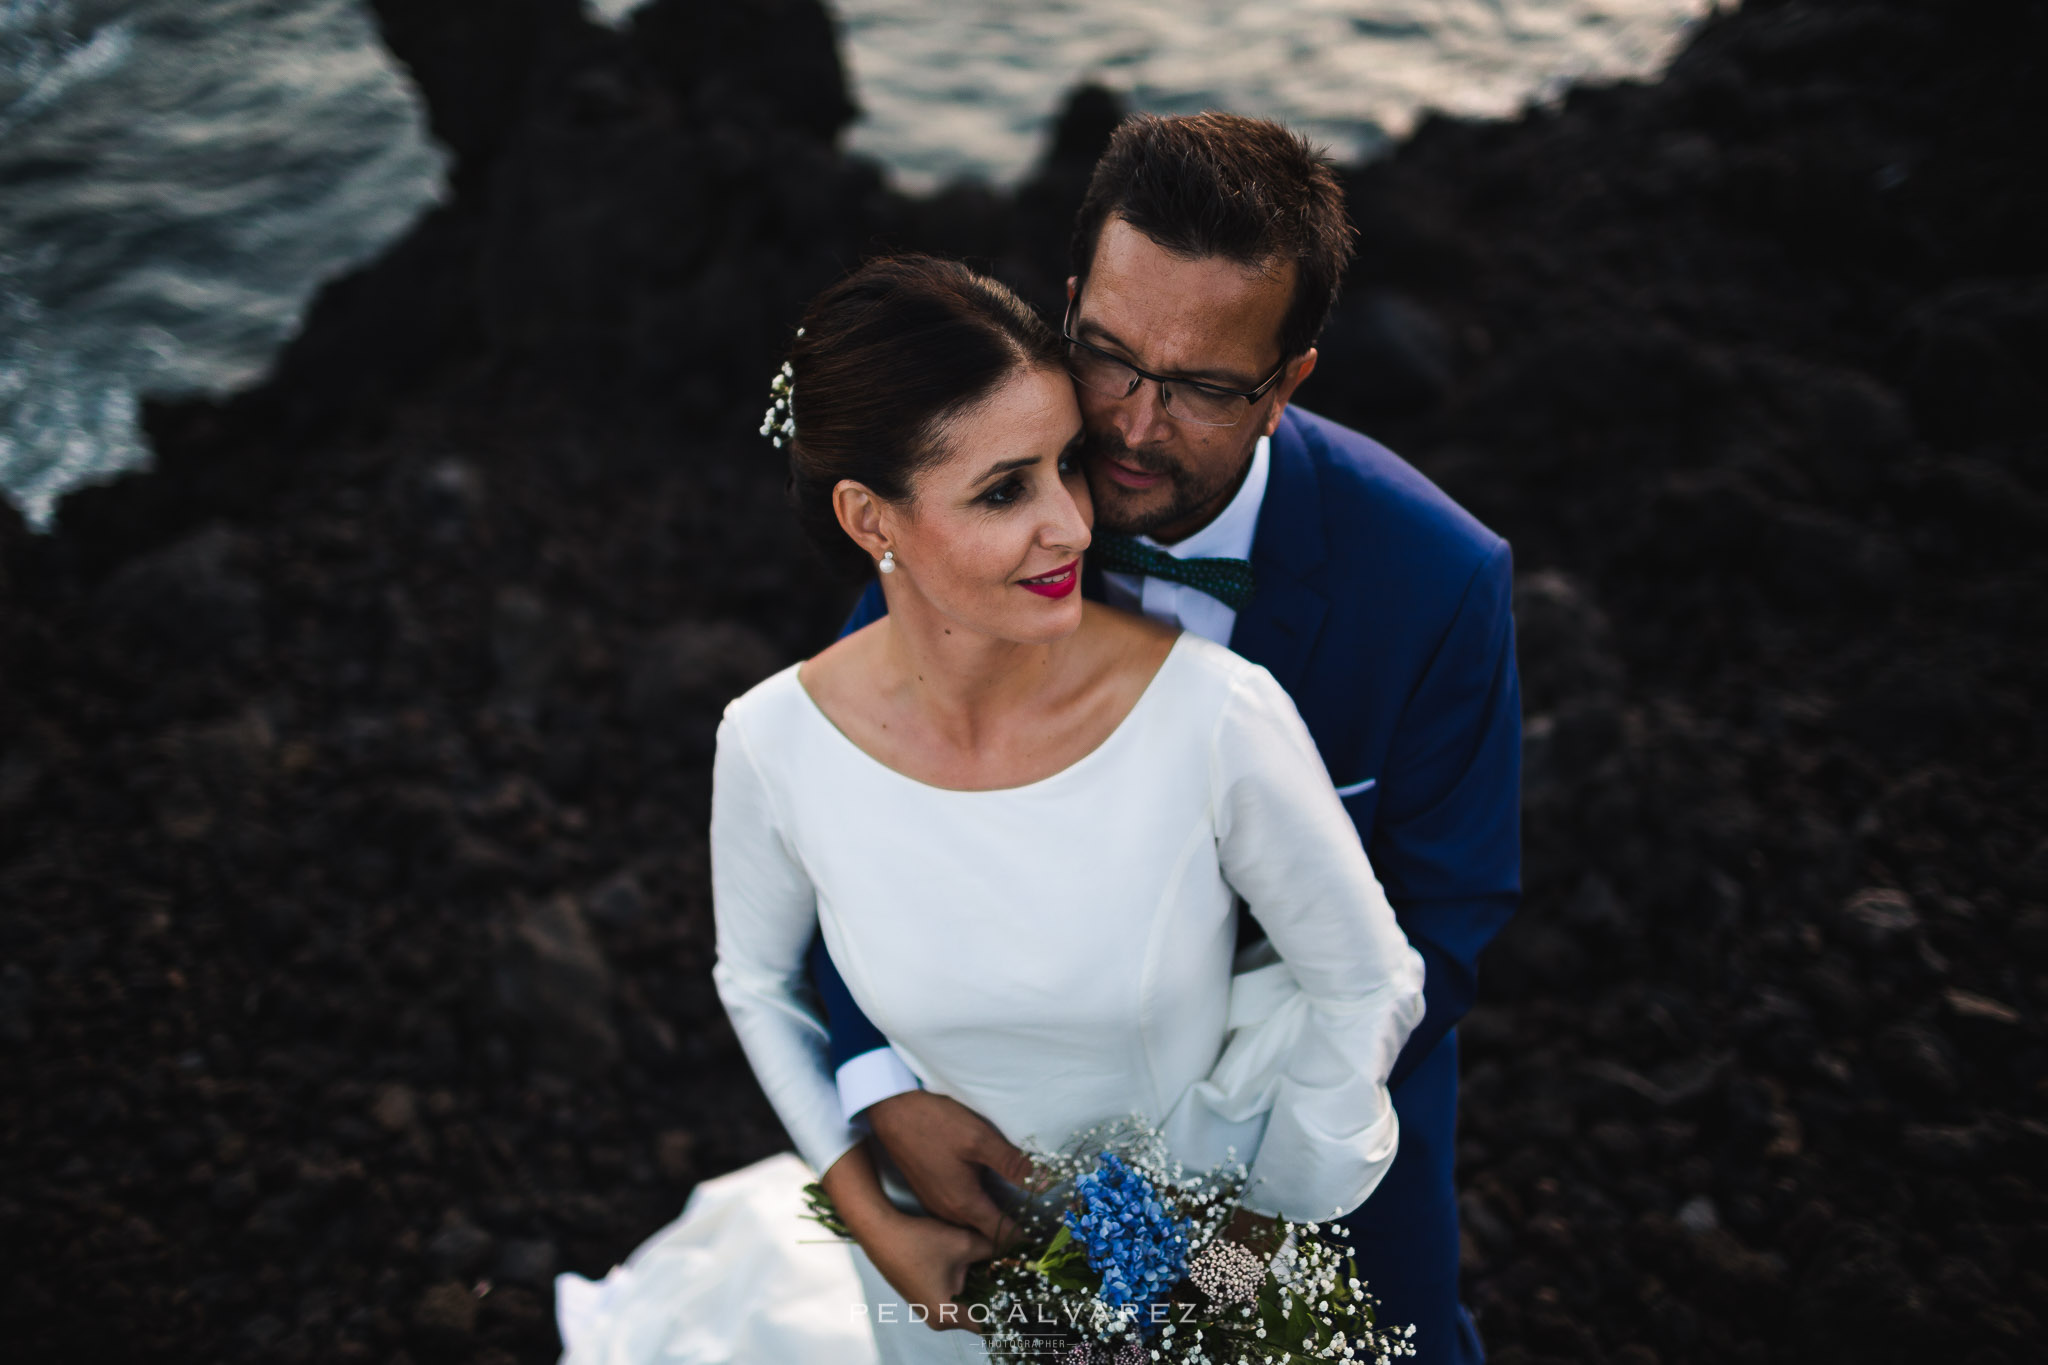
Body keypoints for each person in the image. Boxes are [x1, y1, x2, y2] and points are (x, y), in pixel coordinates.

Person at [812, 113, 1521, 1364]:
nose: (1135, 427)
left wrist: (1249, 1214)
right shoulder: (954, 506)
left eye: (1200, 388)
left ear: (1289, 378)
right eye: (1110, 359)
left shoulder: (1433, 582)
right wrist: (882, 1085)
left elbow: (1441, 926)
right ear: (1069, 304)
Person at [713, 253, 1427, 1364]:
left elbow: (1369, 984)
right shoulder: (770, 745)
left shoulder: (1214, 716)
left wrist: (1234, 1262)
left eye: (1065, 467)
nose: (1072, 527)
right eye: (1005, 491)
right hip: (938, 1283)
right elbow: (755, 984)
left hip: (1187, 1279)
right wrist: (879, 1222)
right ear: (870, 519)